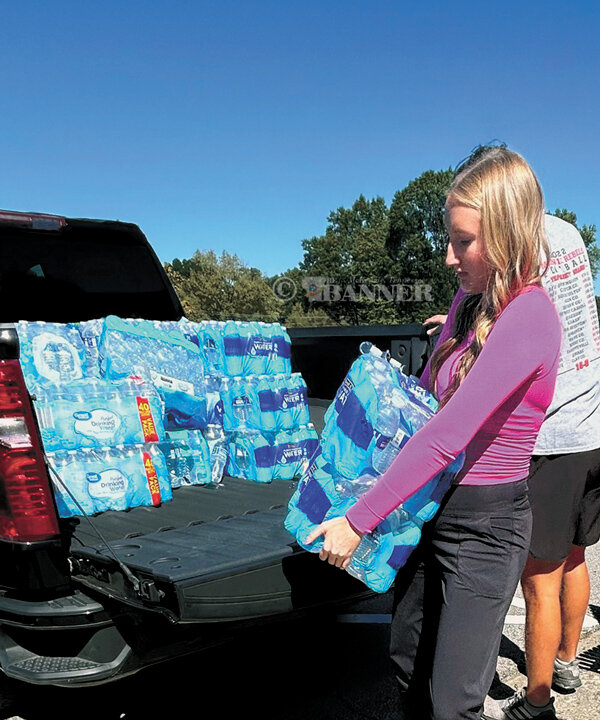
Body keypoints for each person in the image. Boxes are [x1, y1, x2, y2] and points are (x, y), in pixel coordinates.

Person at [306, 146, 562, 720]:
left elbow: (450, 433)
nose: (449, 256)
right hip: (431, 507)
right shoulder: (466, 303)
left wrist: (358, 520)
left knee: (454, 703)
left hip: (487, 526)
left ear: (507, 233)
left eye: (464, 240)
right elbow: (424, 403)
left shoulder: (531, 315)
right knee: (405, 665)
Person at [481, 213, 600, 719]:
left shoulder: (519, 239)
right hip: (592, 426)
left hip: (550, 437)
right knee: (574, 557)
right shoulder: (567, 231)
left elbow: (511, 331)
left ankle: (536, 699)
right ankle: (568, 661)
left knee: (539, 580)